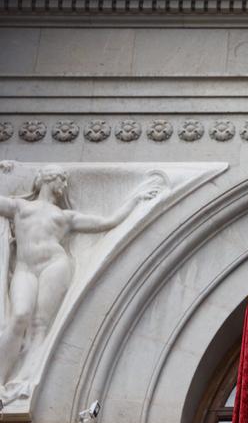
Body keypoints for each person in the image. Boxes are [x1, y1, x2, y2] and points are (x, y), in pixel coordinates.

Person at [0, 164, 160, 401]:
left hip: (54, 266)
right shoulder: (20, 207)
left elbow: (107, 221)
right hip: (25, 269)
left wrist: (136, 199)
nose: (64, 186)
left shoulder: (65, 216)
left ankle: (26, 381)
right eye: (61, 180)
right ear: (48, 179)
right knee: (19, 317)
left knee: (41, 326)